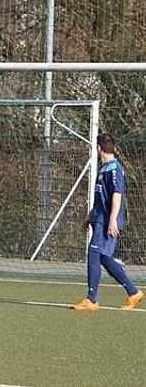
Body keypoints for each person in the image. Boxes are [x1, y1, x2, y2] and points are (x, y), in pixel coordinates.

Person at [72, 133, 143, 311]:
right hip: (99, 219)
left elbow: (117, 195)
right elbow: (101, 200)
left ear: (98, 148)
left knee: (93, 253)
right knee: (102, 257)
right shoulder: (104, 169)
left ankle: (91, 299)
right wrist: (89, 217)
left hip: (107, 221)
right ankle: (133, 292)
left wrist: (112, 219)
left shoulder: (114, 169)